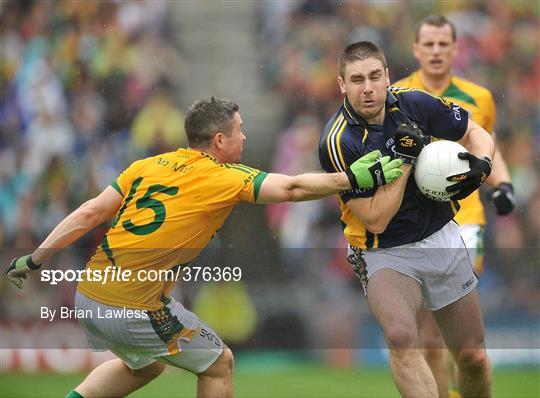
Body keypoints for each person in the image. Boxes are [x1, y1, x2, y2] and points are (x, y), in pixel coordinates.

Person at [5, 97, 402, 398]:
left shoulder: (147, 166)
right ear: (219, 140)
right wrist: (351, 177)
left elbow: (91, 213)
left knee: (145, 367)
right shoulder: (223, 177)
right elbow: (294, 187)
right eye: (240, 130)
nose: (245, 136)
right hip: (130, 307)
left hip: (88, 295)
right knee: (219, 363)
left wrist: (36, 257)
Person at [319, 41, 494, 397]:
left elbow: (476, 132)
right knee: (401, 337)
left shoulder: (414, 102)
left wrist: (483, 164)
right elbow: (375, 220)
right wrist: (406, 161)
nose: (366, 88)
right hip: (385, 250)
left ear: (387, 77)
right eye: (356, 80)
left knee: (472, 356)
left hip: (441, 235)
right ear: (342, 85)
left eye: (373, 77)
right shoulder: (337, 141)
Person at [393, 15, 516, 398]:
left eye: (442, 44)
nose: (435, 51)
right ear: (415, 49)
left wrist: (503, 184)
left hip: (466, 221)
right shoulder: (395, 95)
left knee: (466, 349)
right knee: (429, 339)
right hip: (418, 225)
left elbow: (485, 142)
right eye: (427, 44)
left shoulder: (478, 97)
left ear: (455, 49)